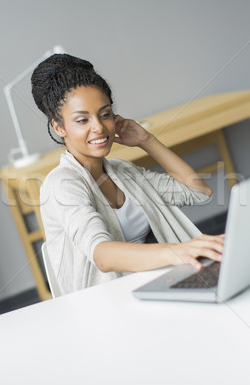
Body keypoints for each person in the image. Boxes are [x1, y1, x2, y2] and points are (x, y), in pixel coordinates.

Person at [32, 54, 224, 294]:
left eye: (105, 114)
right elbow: (102, 254)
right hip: (107, 304)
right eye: (82, 120)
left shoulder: (123, 172)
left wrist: (147, 140)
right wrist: (179, 251)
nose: (99, 127)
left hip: (152, 284)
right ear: (59, 127)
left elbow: (199, 192)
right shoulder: (61, 183)